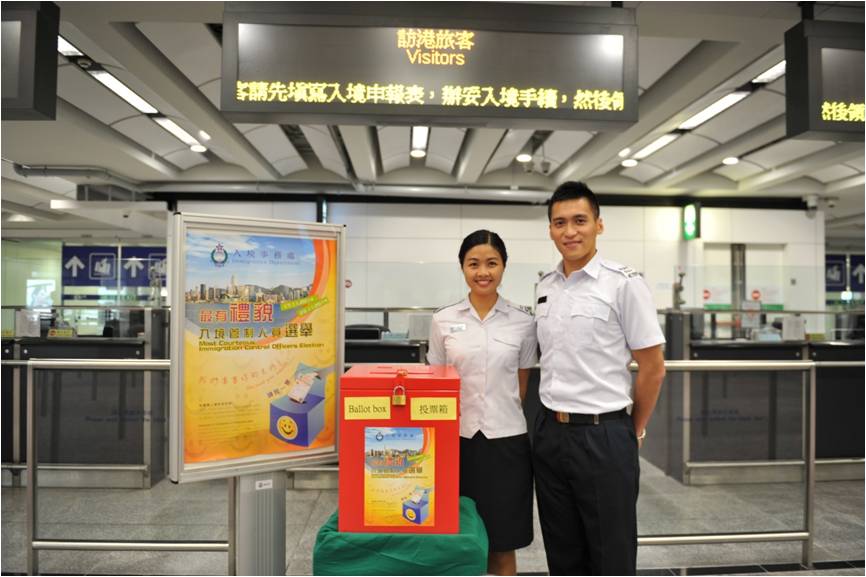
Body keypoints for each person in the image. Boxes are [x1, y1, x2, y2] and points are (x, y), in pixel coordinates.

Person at [533, 182, 666, 575]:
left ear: (599, 225)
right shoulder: (546, 286)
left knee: (611, 555)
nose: (570, 231)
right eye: (560, 223)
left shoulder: (624, 283)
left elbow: (653, 367)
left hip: (603, 435)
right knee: (562, 552)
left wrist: (632, 429)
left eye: (579, 221)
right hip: (550, 433)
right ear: (550, 229)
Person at [427, 229, 537, 576]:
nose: (483, 272)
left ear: (504, 267)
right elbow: (437, 381)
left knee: (503, 544)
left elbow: (521, 385)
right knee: (457, 542)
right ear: (462, 268)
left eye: (492, 263)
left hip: (506, 444)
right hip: (454, 442)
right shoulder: (443, 319)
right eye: (473, 264)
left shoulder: (524, 322)